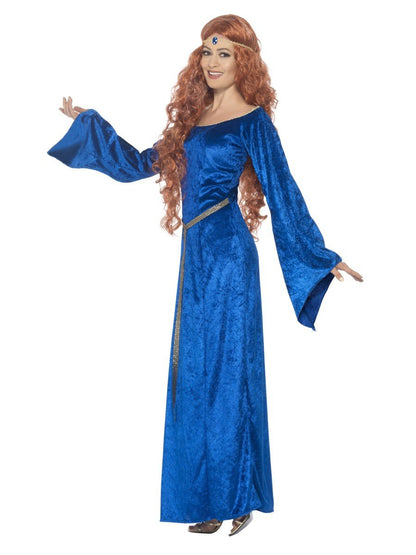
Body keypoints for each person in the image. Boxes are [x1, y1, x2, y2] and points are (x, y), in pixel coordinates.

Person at [47, 14, 363, 537]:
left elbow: (283, 190)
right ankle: (207, 501)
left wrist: (320, 255)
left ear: (245, 62)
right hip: (195, 260)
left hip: (229, 259)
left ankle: (238, 497)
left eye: (224, 53)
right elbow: (138, 163)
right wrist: (90, 125)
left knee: (229, 374)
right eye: (207, 52)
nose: (212, 62)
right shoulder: (192, 119)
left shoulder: (253, 122)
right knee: (192, 375)